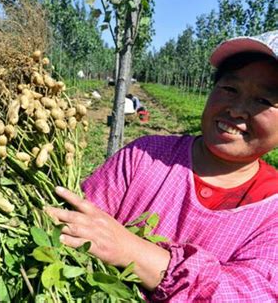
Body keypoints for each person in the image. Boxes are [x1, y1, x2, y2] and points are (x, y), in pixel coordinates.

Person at [46, 30, 278, 301]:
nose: (237, 109)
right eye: (229, 88)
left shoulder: (272, 211)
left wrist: (134, 252)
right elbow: (74, 224)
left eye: (263, 100)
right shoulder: (144, 157)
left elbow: (254, 294)